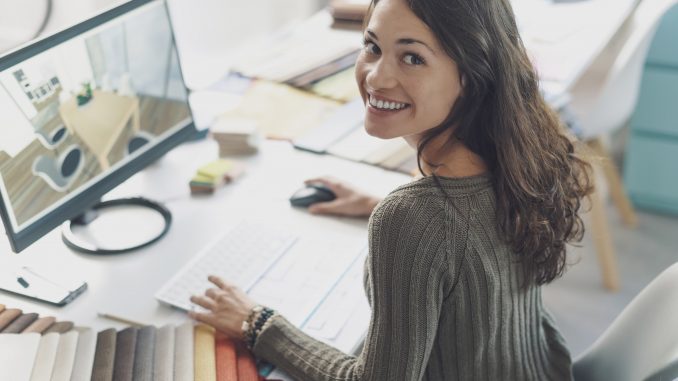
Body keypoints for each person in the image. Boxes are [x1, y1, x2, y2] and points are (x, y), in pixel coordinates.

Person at [188, 0, 593, 379]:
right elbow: (469, 243)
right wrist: (374, 204)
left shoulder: (412, 218)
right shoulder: (518, 153)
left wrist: (257, 323)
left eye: (412, 57)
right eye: (372, 46)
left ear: (471, 76)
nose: (377, 77)